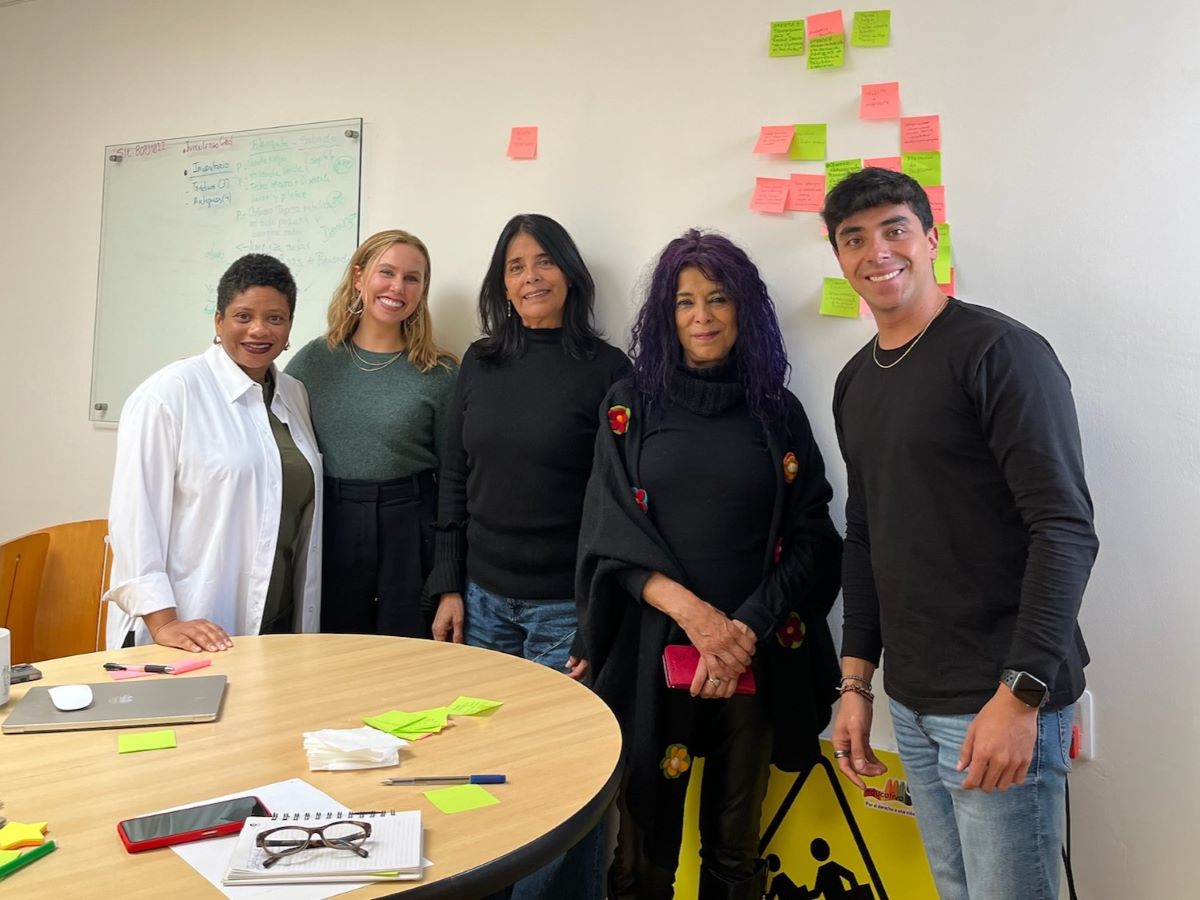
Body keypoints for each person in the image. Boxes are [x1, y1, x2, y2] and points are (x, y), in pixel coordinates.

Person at [823, 168, 1098, 900]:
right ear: (839, 258)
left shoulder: (999, 353)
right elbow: (864, 536)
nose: (876, 251)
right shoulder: (855, 380)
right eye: (854, 238)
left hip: (999, 700)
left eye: (894, 229)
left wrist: (1021, 696)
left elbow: (1065, 528)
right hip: (911, 701)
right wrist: (856, 683)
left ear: (930, 238)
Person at [577, 229, 843, 900]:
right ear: (665, 314)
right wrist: (697, 619)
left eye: (718, 299)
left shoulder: (779, 415)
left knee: (734, 851)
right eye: (685, 301)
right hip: (651, 657)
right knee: (643, 859)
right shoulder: (627, 406)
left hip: (752, 663)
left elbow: (814, 537)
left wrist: (742, 631)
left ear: (743, 309)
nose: (702, 316)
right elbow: (609, 535)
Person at [425, 213, 630, 899]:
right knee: (482, 772)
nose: (531, 276)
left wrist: (594, 618)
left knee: (558, 779)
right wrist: (449, 586)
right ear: (502, 284)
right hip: (482, 605)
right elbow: (455, 477)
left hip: (562, 612)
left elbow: (620, 504)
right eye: (515, 266)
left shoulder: (607, 370)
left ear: (570, 273)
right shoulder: (480, 363)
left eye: (543, 262)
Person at [106, 254, 322, 651]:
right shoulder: (168, 395)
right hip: (189, 626)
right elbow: (134, 520)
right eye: (243, 316)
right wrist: (164, 622)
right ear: (218, 320)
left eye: (275, 318)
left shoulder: (295, 394)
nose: (259, 330)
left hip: (279, 623)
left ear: (290, 326)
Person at [286, 229, 457, 638]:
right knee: (335, 649)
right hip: (333, 521)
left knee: (408, 652)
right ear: (359, 278)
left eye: (412, 278)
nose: (398, 287)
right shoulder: (313, 361)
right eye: (387, 272)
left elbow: (455, 476)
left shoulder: (441, 373)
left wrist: (452, 572)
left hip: (411, 523)